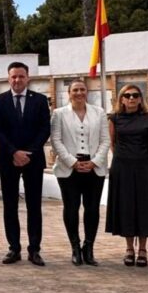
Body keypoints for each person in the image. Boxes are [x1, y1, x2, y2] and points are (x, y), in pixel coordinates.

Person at [0, 62, 51, 265]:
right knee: (10, 205)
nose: (17, 80)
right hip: (8, 159)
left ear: (28, 78)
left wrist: (29, 153)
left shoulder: (41, 100)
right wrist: (14, 152)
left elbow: (45, 129)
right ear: (9, 78)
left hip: (33, 160)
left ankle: (34, 249)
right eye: (14, 76)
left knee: (34, 205)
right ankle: (13, 248)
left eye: (21, 76)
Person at [50, 79, 109, 266]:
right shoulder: (59, 114)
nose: (79, 93)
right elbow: (56, 141)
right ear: (69, 93)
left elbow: (105, 141)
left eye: (82, 89)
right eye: (75, 90)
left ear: (87, 92)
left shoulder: (99, 113)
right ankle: (75, 247)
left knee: (92, 209)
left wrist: (94, 162)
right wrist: (73, 162)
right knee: (71, 208)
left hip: (93, 167)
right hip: (69, 169)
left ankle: (89, 248)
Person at [106, 85, 148, 266]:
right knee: (126, 207)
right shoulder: (114, 119)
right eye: (127, 95)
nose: (131, 98)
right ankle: (129, 248)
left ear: (141, 99)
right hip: (122, 167)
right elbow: (112, 143)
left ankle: (143, 250)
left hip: (144, 167)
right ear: (121, 99)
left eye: (135, 95)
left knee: (144, 207)